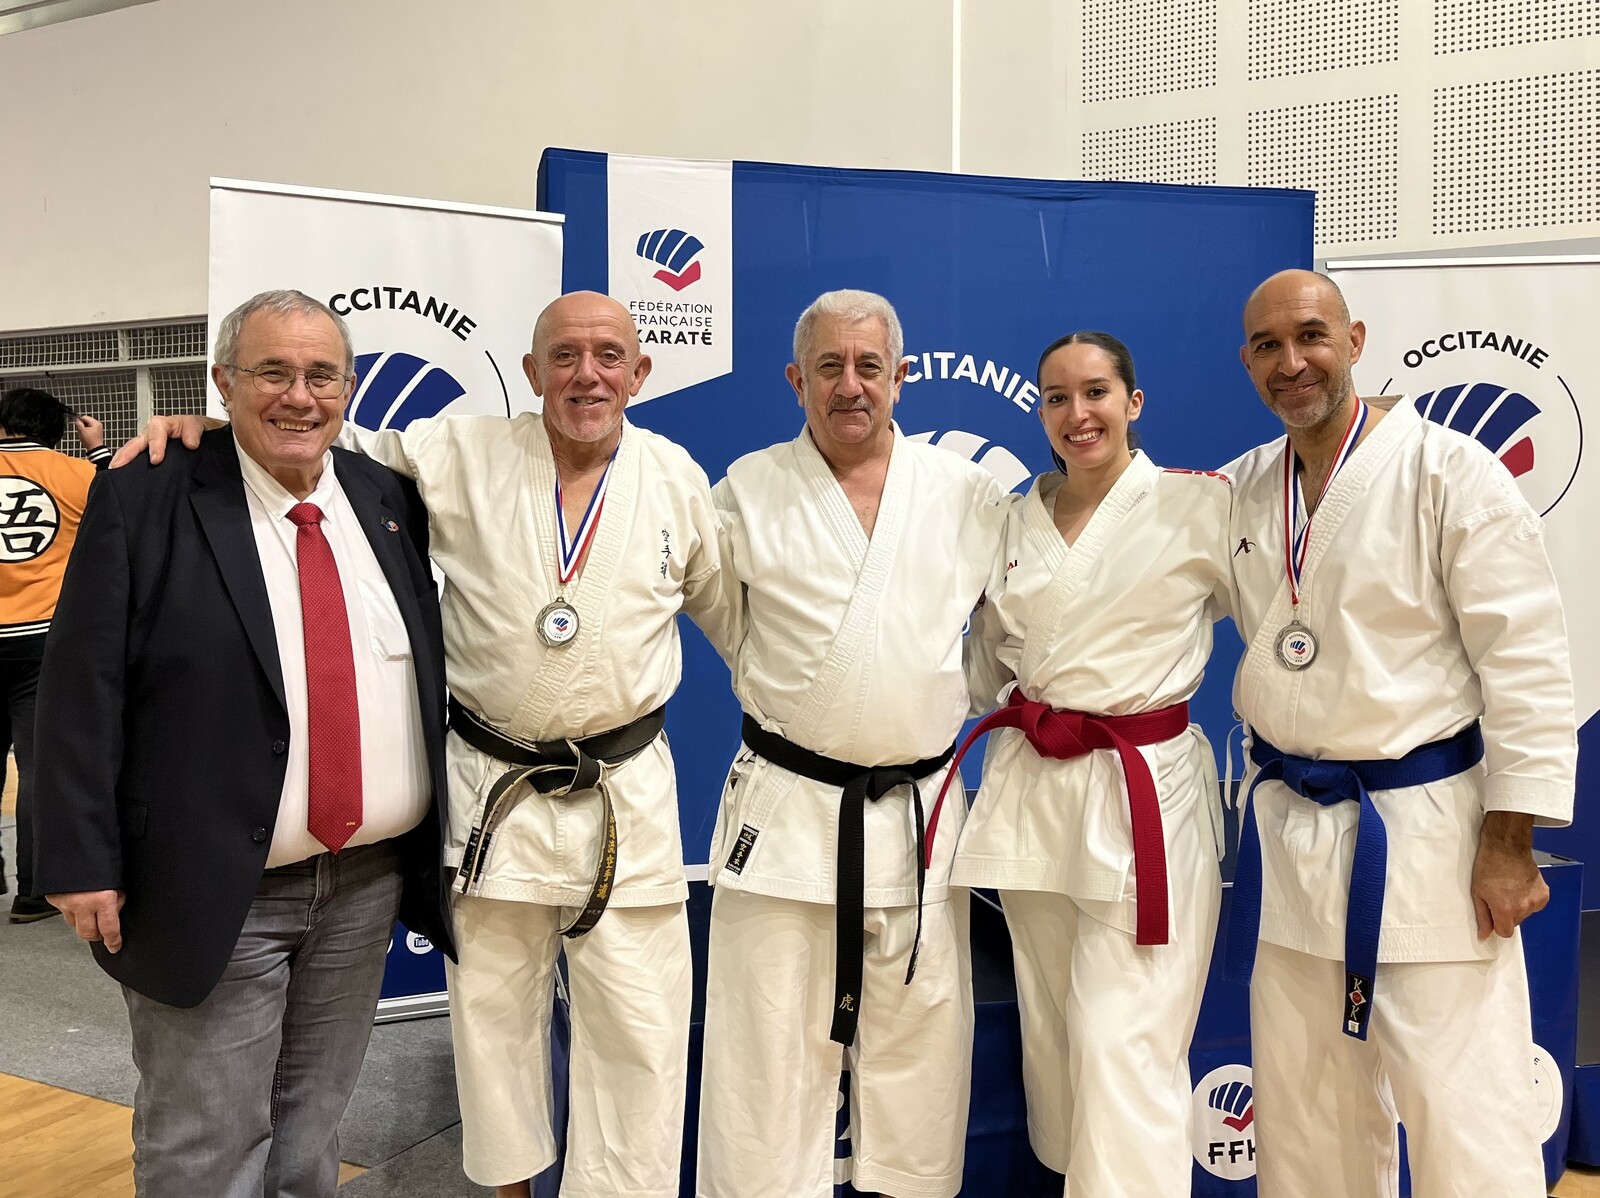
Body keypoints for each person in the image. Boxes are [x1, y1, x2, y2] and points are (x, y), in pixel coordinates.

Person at [133, 290, 728, 1198]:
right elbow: (311, 441)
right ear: (530, 373)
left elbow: (733, 621)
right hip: (494, 789)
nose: (587, 374)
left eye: (610, 355)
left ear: (640, 373)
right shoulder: (457, 450)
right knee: (494, 1026)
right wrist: (212, 432)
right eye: (563, 355)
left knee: (642, 1034)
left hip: (622, 796)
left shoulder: (680, 479)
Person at [32, 290, 455, 1198]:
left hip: (364, 882)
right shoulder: (148, 492)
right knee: (207, 1142)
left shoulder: (386, 498)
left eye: (320, 375)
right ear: (223, 383)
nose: (298, 396)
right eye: (270, 372)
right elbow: (80, 684)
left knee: (312, 1134)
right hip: (203, 879)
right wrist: (75, 857)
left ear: (348, 388)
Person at [1222, 269, 1576, 1196]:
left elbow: (1528, 665)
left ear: (1356, 339)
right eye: (1268, 345)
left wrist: (1512, 842)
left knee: (1465, 1114)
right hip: (1296, 839)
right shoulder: (1245, 487)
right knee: (1306, 1123)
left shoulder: (1451, 470)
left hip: (1426, 841)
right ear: (1248, 362)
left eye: (1311, 336)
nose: (1292, 362)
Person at [696, 289, 1009, 1198]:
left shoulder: (968, 495)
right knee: (764, 1064)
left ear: (901, 377)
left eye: (869, 366)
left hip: (917, 820)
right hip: (790, 813)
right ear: (796, 379)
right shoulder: (747, 491)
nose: (850, 385)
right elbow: (726, 623)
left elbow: (1001, 643)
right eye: (828, 367)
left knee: (922, 1058)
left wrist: (922, 705)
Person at [947, 331, 1234, 1194]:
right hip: (1035, 792)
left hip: (1143, 790)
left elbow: (1284, 610)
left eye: (1098, 392)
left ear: (1133, 402)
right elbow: (987, 661)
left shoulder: (1198, 508)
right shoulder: (1011, 518)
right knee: (1059, 1039)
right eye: (1058, 398)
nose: (1079, 414)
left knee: (1126, 1042)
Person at [0, 387, 108, 921]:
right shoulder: (76, 474)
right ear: (57, 429)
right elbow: (123, 508)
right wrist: (99, 451)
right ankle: (33, 890)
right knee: (39, 764)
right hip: (43, 639)